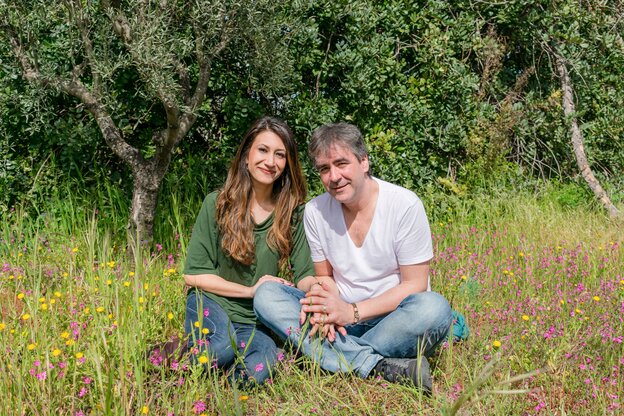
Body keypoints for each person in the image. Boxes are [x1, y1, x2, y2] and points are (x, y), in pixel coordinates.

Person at [254, 122, 455, 394]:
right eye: (324, 169)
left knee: (435, 309)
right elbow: (324, 275)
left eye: (341, 164)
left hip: (392, 319)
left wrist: (352, 312)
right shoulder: (315, 211)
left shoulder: (404, 205)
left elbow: (415, 285)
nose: (334, 176)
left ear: (364, 162)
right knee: (266, 295)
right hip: (341, 316)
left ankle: (326, 355)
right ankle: (379, 365)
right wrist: (328, 309)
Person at [182, 116, 315, 386]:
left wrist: (319, 293)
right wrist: (252, 291)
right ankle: (172, 361)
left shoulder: (292, 213)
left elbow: (304, 274)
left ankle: (226, 390)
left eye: (280, 155)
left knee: (264, 363)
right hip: (211, 303)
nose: (271, 162)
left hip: (253, 319)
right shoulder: (217, 205)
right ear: (246, 156)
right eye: (263, 150)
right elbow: (194, 276)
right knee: (221, 348)